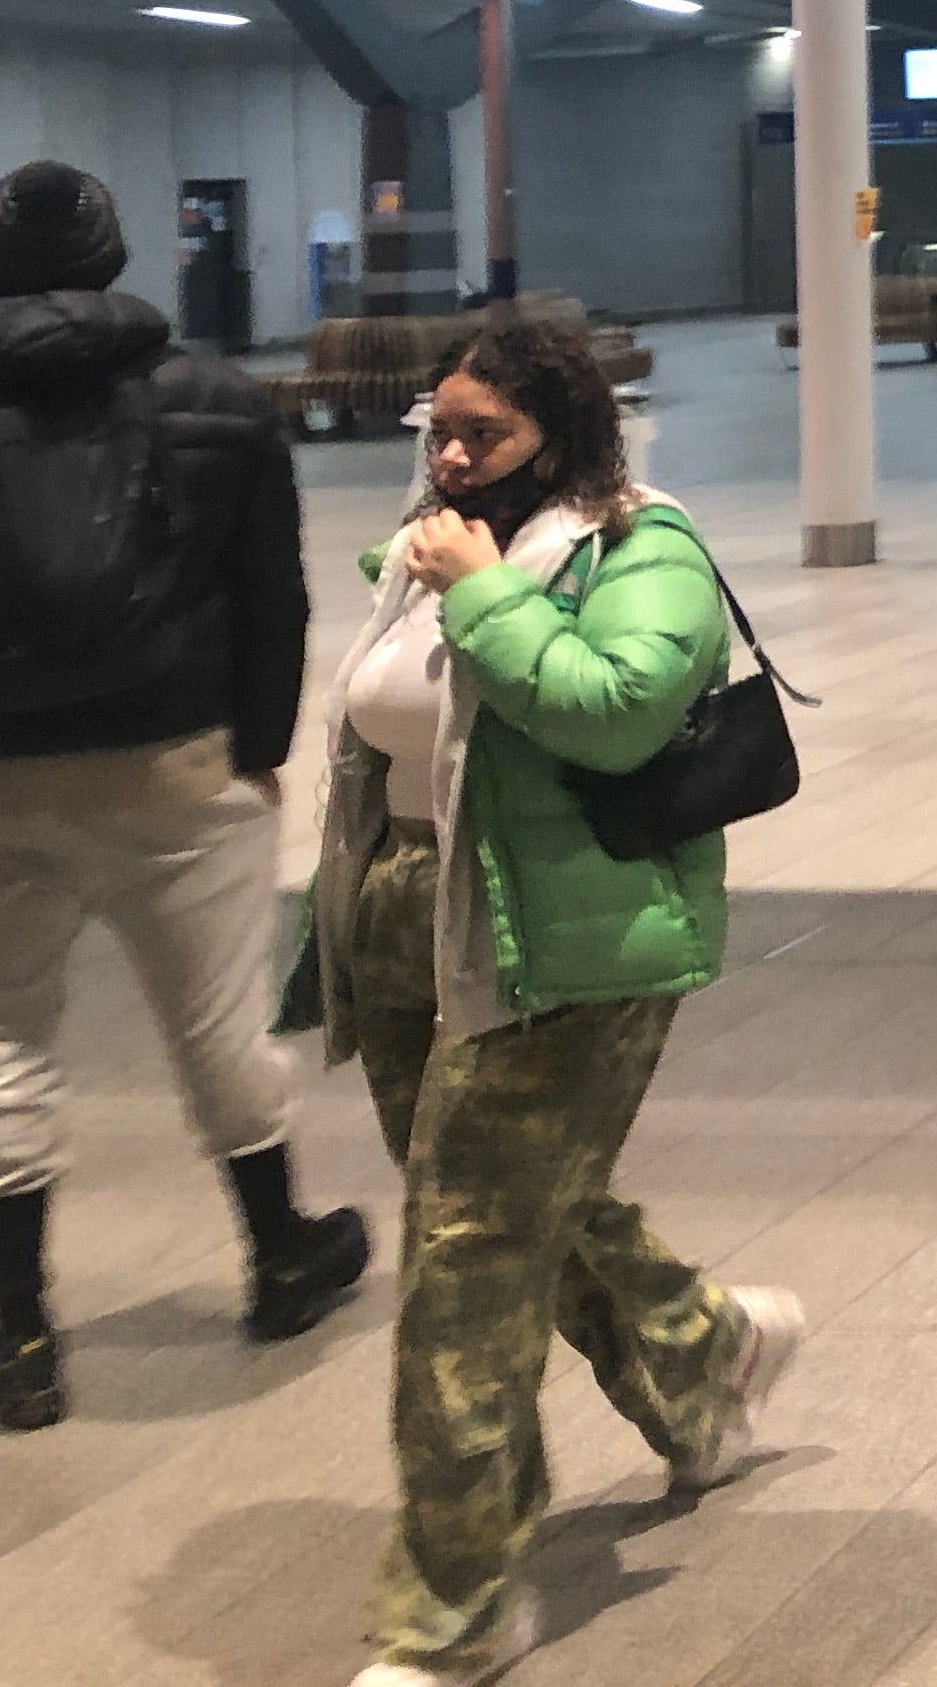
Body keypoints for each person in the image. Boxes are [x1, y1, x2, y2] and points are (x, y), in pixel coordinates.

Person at [315, 308, 800, 1687]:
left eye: (488, 435)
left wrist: (478, 591)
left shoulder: (643, 547)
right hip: (420, 920)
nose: (456, 458)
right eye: (441, 430)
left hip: (567, 950)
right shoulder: (433, 548)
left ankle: (454, 1612)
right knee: (529, 1210)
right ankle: (709, 1359)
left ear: (564, 436)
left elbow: (620, 707)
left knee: (464, 1271)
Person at [0, 162, 368, 1436]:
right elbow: (273, 595)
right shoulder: (220, 399)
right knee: (216, 1027)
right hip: (181, 768)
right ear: (115, 252)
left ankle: (22, 1336)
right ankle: (281, 1258)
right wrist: (258, 746)